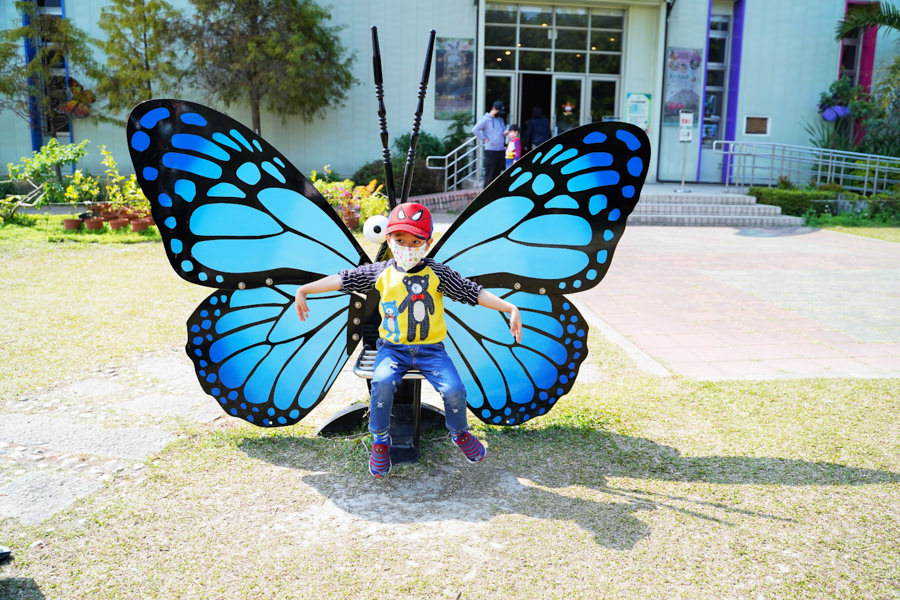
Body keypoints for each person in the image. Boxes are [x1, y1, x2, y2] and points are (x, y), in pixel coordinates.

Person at [294, 202, 522, 478]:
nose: (407, 246)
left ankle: (459, 433)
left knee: (454, 390)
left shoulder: (438, 273)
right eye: (400, 240)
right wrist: (305, 289)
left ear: (427, 243)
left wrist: (509, 308)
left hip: (432, 351)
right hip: (393, 351)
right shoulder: (381, 272)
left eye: (415, 241)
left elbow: (470, 292)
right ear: (388, 239)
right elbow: (344, 280)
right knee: (381, 383)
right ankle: (380, 441)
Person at [472, 100, 507, 184]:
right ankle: (486, 193)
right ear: (494, 109)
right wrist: (484, 137)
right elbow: (475, 129)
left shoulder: (500, 119)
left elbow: (502, 130)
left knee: (497, 174)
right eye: (498, 111)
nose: (500, 113)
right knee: (490, 174)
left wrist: (505, 132)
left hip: (500, 149)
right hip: (491, 150)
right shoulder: (486, 120)